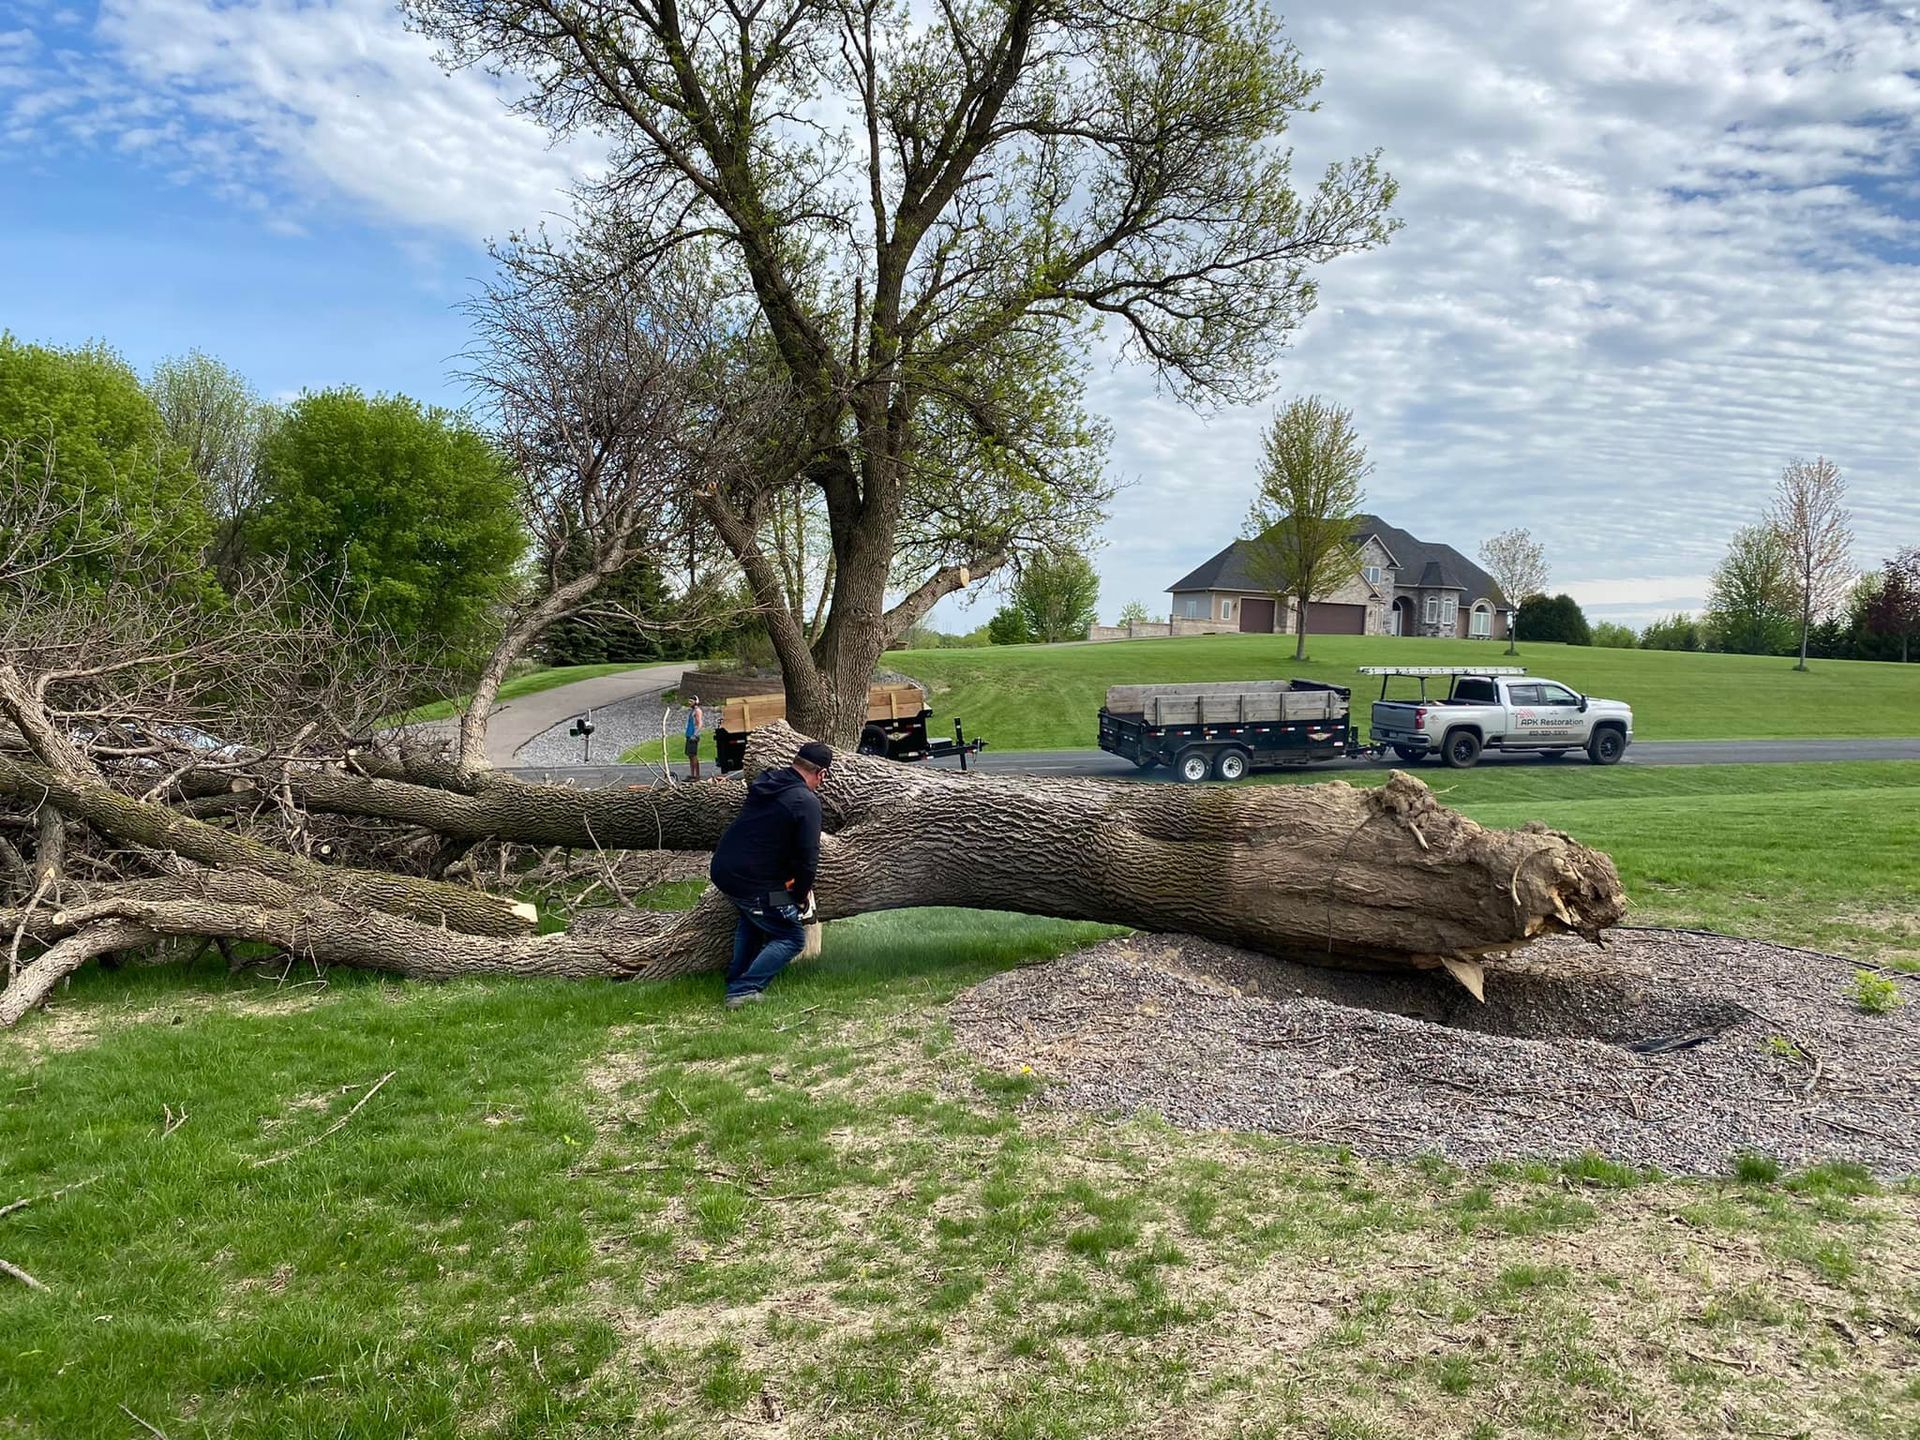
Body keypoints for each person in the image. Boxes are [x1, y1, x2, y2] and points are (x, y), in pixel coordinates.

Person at [708, 740, 832, 1009]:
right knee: (791, 937)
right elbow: (808, 858)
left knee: (754, 920)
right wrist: (800, 896)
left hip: (726, 869)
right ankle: (743, 990)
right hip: (752, 882)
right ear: (821, 774)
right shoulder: (806, 801)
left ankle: (736, 977)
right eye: (823, 778)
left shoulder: (770, 782)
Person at [683, 697, 705, 781]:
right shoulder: (692, 711)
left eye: (691, 701)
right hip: (689, 735)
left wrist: (695, 734)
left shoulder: (697, 711)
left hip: (693, 736)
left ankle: (697, 775)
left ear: (696, 702)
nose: (689, 702)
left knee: (694, 756)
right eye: (689, 701)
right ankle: (692, 774)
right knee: (690, 756)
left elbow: (700, 724)